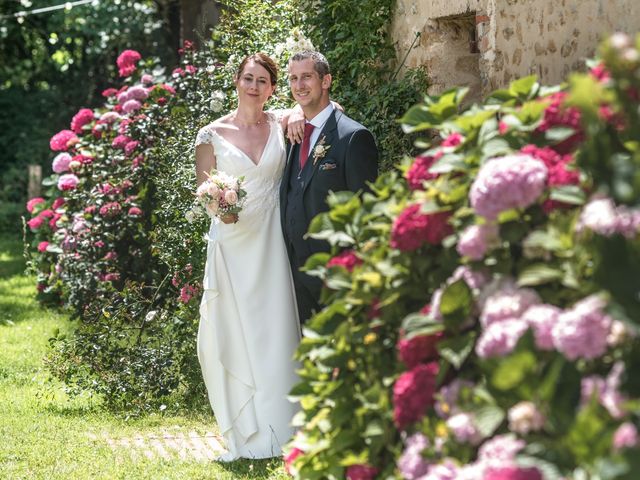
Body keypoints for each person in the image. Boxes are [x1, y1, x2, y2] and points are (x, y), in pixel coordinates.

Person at [194, 53, 301, 461]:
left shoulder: (283, 123)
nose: (254, 86)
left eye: (262, 81)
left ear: (273, 88)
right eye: (248, 78)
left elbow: (330, 108)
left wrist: (293, 111)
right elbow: (205, 192)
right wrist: (220, 207)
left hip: (273, 240)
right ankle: (245, 427)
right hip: (233, 243)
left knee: (276, 327)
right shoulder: (211, 134)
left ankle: (284, 426)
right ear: (236, 81)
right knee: (237, 331)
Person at [280, 51, 379, 325]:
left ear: (326, 81)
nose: (299, 85)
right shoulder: (293, 134)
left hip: (336, 277)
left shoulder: (353, 137)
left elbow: (365, 211)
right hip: (295, 276)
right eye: (294, 79)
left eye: (307, 77)